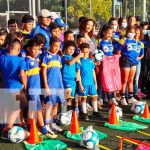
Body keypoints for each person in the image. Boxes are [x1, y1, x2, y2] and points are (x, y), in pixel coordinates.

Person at [25, 39, 55, 138]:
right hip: (32, 90)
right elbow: (24, 76)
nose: (36, 51)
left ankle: (39, 128)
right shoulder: (27, 60)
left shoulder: (35, 59)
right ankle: (36, 128)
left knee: (37, 109)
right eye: (34, 49)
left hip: (37, 90)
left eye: (38, 49)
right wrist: (25, 89)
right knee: (33, 110)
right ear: (29, 49)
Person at [0, 39, 28, 139]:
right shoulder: (20, 60)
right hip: (16, 87)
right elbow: (22, 74)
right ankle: (7, 130)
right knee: (17, 108)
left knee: (9, 108)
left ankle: (9, 127)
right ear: (19, 49)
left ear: (9, 47)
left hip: (5, 87)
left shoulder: (2, 58)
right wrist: (25, 84)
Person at [42, 37, 66, 133]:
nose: (56, 48)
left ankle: (54, 123)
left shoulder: (58, 57)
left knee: (56, 104)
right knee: (49, 105)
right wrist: (46, 86)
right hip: (50, 84)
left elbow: (59, 72)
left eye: (58, 46)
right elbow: (43, 72)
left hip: (58, 85)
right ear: (50, 45)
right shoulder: (46, 56)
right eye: (54, 45)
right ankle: (47, 124)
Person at [78, 42, 103, 120]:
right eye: (84, 52)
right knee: (84, 98)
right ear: (80, 51)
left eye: (87, 52)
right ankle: (84, 113)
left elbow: (93, 72)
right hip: (84, 83)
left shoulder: (91, 60)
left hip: (91, 83)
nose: (85, 53)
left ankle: (95, 111)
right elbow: (78, 74)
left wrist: (95, 83)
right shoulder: (78, 60)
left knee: (95, 97)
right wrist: (80, 85)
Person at [61, 41, 83, 111]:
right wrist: (79, 56)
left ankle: (67, 114)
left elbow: (78, 70)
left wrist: (80, 84)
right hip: (65, 79)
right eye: (70, 49)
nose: (71, 51)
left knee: (70, 98)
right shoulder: (64, 57)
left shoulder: (75, 58)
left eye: (73, 49)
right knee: (67, 93)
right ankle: (62, 112)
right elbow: (70, 63)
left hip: (73, 80)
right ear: (65, 49)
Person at [120, 26, 139, 105]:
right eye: (130, 32)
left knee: (131, 80)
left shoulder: (135, 41)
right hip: (126, 61)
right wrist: (122, 39)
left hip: (133, 62)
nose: (132, 33)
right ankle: (123, 97)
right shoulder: (125, 40)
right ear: (127, 32)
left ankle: (131, 97)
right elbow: (118, 47)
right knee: (124, 80)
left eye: (133, 32)